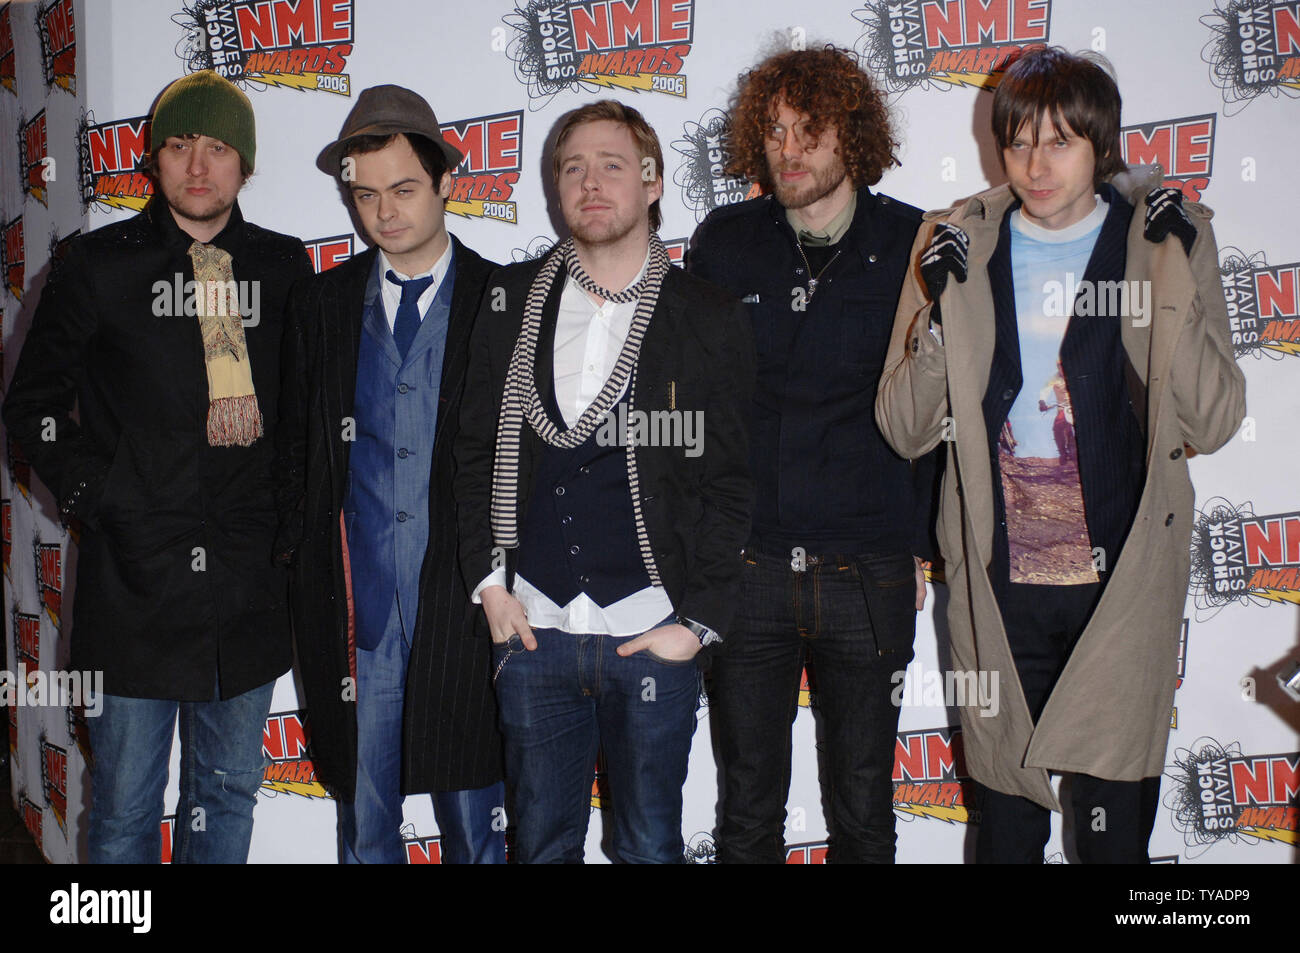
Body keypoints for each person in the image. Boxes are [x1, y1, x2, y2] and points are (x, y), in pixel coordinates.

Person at [876, 46, 1246, 862]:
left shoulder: (1163, 239)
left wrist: (1177, 270)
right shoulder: (956, 243)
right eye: (1018, 142)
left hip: (1121, 586)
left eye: (1060, 142)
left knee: (1115, 838)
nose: (1035, 165)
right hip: (998, 585)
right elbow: (903, 427)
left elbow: (1215, 419)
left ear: (1100, 144)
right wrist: (936, 320)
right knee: (1007, 834)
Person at [3, 70, 313, 863]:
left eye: (217, 148)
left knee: (226, 798)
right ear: (153, 158)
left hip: (247, 594)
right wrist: (97, 495)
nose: (198, 165)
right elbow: (31, 405)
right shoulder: (98, 266)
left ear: (245, 165)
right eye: (179, 145)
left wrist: (288, 534)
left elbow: (307, 415)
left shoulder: (284, 271)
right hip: (133, 588)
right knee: (124, 810)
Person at [454, 100, 754, 864]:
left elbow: (732, 482)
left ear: (652, 184)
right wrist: (491, 583)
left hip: (653, 628)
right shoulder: (508, 299)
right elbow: (473, 450)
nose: (591, 183)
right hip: (536, 628)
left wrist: (697, 622)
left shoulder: (707, 315)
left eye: (612, 165)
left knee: (651, 846)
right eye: (572, 167)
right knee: (541, 845)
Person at [687, 46, 933, 864]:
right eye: (775, 131)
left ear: (851, 136)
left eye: (810, 130)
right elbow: (696, 406)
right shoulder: (724, 242)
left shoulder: (913, 242)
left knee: (864, 806)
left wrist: (930, 549)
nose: (788, 150)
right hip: (750, 567)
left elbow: (937, 406)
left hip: (871, 569)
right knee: (746, 807)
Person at [275, 86, 505, 864]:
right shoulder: (321, 304)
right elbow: (297, 454)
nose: (383, 212)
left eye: (403, 189)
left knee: (477, 825)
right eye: (364, 194)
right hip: (357, 610)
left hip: (469, 606)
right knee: (366, 829)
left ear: (446, 182)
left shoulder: (502, 300)